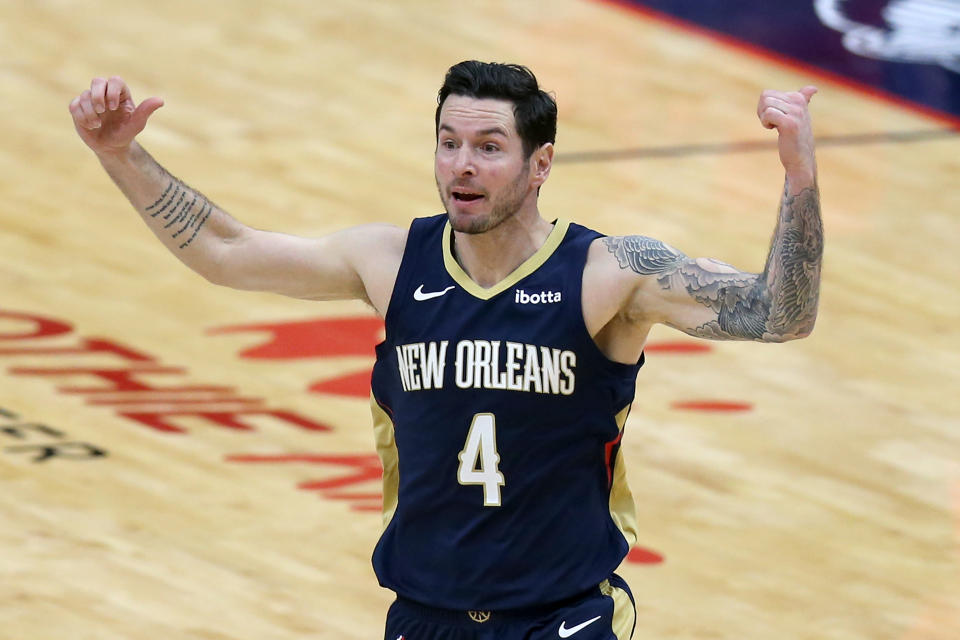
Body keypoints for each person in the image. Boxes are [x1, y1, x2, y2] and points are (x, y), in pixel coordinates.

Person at [69, 61, 822, 640]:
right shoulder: (391, 261)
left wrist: (799, 178)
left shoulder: (610, 273)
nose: (462, 164)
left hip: (564, 615)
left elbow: (779, 314)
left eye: (490, 147)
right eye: (449, 142)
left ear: (541, 164)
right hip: (424, 613)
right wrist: (120, 156)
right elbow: (227, 253)